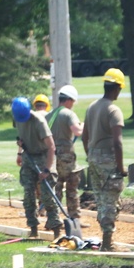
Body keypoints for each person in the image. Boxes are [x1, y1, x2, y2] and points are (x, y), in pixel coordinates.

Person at [81, 68, 127, 251]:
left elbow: (85, 136)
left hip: (93, 156)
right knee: (110, 200)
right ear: (117, 88)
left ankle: (106, 239)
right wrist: (121, 168)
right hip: (108, 158)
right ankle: (107, 243)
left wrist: (91, 155)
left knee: (100, 199)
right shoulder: (113, 110)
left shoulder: (92, 106)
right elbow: (118, 143)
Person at [12, 96, 63, 240]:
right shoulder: (16, 117)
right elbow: (21, 137)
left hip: (44, 156)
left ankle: (56, 229)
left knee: (47, 194)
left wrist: (46, 169)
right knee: (28, 194)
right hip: (28, 156)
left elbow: (51, 147)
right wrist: (19, 153)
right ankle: (33, 228)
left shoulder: (39, 122)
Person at [46, 84, 84, 225]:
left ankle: (53, 219)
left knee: (56, 188)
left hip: (52, 156)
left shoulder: (50, 115)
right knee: (72, 187)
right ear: (69, 100)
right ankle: (74, 219)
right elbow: (77, 132)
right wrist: (83, 125)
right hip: (67, 156)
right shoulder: (68, 114)